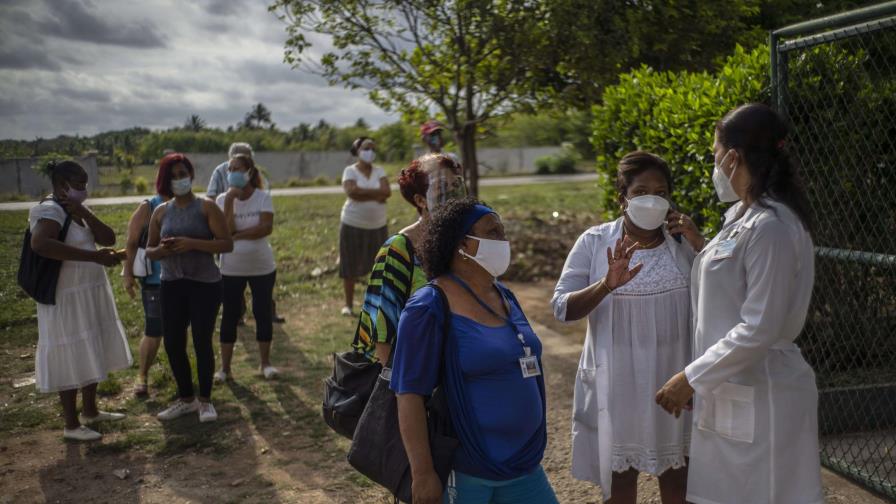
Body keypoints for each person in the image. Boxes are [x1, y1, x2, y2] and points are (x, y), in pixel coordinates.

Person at [655, 103, 823, 504]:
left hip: (764, 388)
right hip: (730, 386)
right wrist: (704, 378)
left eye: (715, 154)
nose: (714, 164)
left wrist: (692, 377)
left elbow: (760, 327)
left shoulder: (772, 227)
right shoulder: (741, 217)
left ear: (732, 157)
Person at [552, 151, 704, 504]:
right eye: (640, 192)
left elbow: (723, 294)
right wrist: (606, 285)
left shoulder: (682, 242)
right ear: (622, 198)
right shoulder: (594, 242)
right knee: (620, 479)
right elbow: (562, 308)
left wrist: (700, 244)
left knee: (678, 476)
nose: (652, 200)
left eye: (661, 192)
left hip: (674, 380)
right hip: (618, 383)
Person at [392, 198, 558, 504]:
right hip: (466, 472)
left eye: (503, 231)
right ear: (462, 245)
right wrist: (423, 474)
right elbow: (408, 394)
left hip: (523, 467)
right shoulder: (428, 306)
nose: (503, 240)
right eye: (493, 232)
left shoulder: (504, 295)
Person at [28, 160, 132, 441]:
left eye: (85, 185)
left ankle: (90, 411)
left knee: (90, 347)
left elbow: (108, 237)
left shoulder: (77, 209)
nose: (84, 190)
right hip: (66, 298)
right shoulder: (49, 210)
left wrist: (84, 211)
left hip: (89, 292)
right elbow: (40, 244)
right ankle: (71, 425)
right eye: (78, 186)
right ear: (62, 186)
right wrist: (94, 257)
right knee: (70, 353)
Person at [352, 153, 466, 364]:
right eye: (443, 189)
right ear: (421, 200)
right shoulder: (399, 249)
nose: (454, 196)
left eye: (456, 186)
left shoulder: (465, 241)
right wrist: (394, 381)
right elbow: (383, 333)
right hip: (413, 369)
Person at [146, 153, 233, 423]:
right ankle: (186, 399)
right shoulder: (160, 212)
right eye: (173, 176)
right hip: (171, 284)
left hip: (204, 284)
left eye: (182, 174)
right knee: (173, 343)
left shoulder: (207, 207)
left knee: (201, 341)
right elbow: (149, 250)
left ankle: (205, 401)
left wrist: (192, 243)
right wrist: (163, 250)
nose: (179, 180)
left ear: (191, 175)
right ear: (165, 181)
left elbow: (226, 244)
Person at [214, 153, 278, 381]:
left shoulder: (262, 197)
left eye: (238, 168)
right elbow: (225, 231)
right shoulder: (222, 199)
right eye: (230, 169)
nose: (233, 173)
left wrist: (238, 235)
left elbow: (266, 228)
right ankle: (225, 369)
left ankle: (265, 364)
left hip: (262, 267)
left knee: (262, 312)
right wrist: (230, 201)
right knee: (230, 315)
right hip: (231, 268)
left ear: (249, 172)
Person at [123, 163, 172, 397]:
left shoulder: (190, 204)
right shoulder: (149, 206)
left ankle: (179, 376)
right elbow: (132, 241)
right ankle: (142, 377)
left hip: (183, 278)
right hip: (155, 281)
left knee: (178, 331)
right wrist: (127, 274)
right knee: (154, 331)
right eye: (173, 175)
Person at [339, 136, 390, 316]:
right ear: (358, 150)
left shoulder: (380, 170)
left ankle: (376, 303)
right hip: (352, 223)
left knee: (380, 266)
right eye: (367, 148)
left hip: (378, 225)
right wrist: (376, 194)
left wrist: (364, 193)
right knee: (349, 265)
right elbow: (352, 192)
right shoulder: (350, 171)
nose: (370, 152)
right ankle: (348, 305)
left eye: (373, 149)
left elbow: (387, 192)